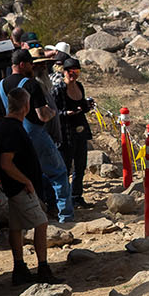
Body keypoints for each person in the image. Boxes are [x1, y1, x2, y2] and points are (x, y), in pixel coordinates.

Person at [0, 48, 72, 222]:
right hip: (34, 135)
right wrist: (52, 113)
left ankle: (36, 215)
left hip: (12, 137)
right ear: (22, 64)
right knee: (58, 173)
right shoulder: (31, 84)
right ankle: (65, 215)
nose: (32, 67)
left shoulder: (0, 86)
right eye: (30, 64)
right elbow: (42, 115)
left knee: (29, 176)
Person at [0, 87, 52, 284]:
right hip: (20, 188)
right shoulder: (11, 129)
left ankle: (19, 268)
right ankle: (43, 268)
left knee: (16, 227)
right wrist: (25, 181)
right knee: (41, 223)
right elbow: (6, 163)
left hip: (15, 187)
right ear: (26, 106)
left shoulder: (8, 126)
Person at [52, 54, 95, 208]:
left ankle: (77, 196)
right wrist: (66, 113)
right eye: (70, 72)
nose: (73, 75)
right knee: (65, 167)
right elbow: (53, 112)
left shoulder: (80, 86)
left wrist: (87, 107)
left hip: (80, 130)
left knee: (80, 165)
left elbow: (83, 106)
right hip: (66, 132)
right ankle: (64, 199)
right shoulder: (58, 90)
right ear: (64, 72)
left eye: (76, 72)